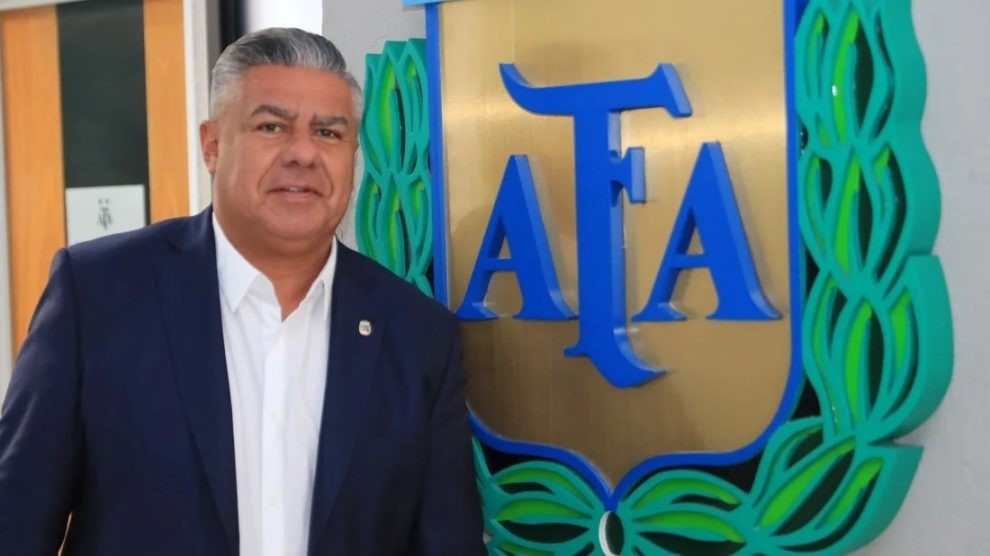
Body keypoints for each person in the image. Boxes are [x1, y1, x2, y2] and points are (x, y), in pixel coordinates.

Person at [0, 28, 484, 555]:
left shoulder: (416, 334)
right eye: (272, 126)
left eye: (328, 133)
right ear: (212, 145)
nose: (303, 153)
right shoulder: (100, 295)